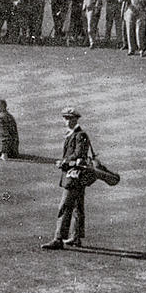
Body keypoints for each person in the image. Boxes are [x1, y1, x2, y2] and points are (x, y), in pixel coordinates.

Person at [42, 107, 92, 250]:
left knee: (64, 207)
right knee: (77, 206)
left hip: (74, 177)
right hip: (76, 176)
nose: (66, 121)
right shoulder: (75, 134)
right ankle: (76, 238)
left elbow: (79, 154)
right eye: (65, 118)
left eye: (69, 118)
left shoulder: (79, 135)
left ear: (75, 119)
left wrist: (64, 162)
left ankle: (58, 239)